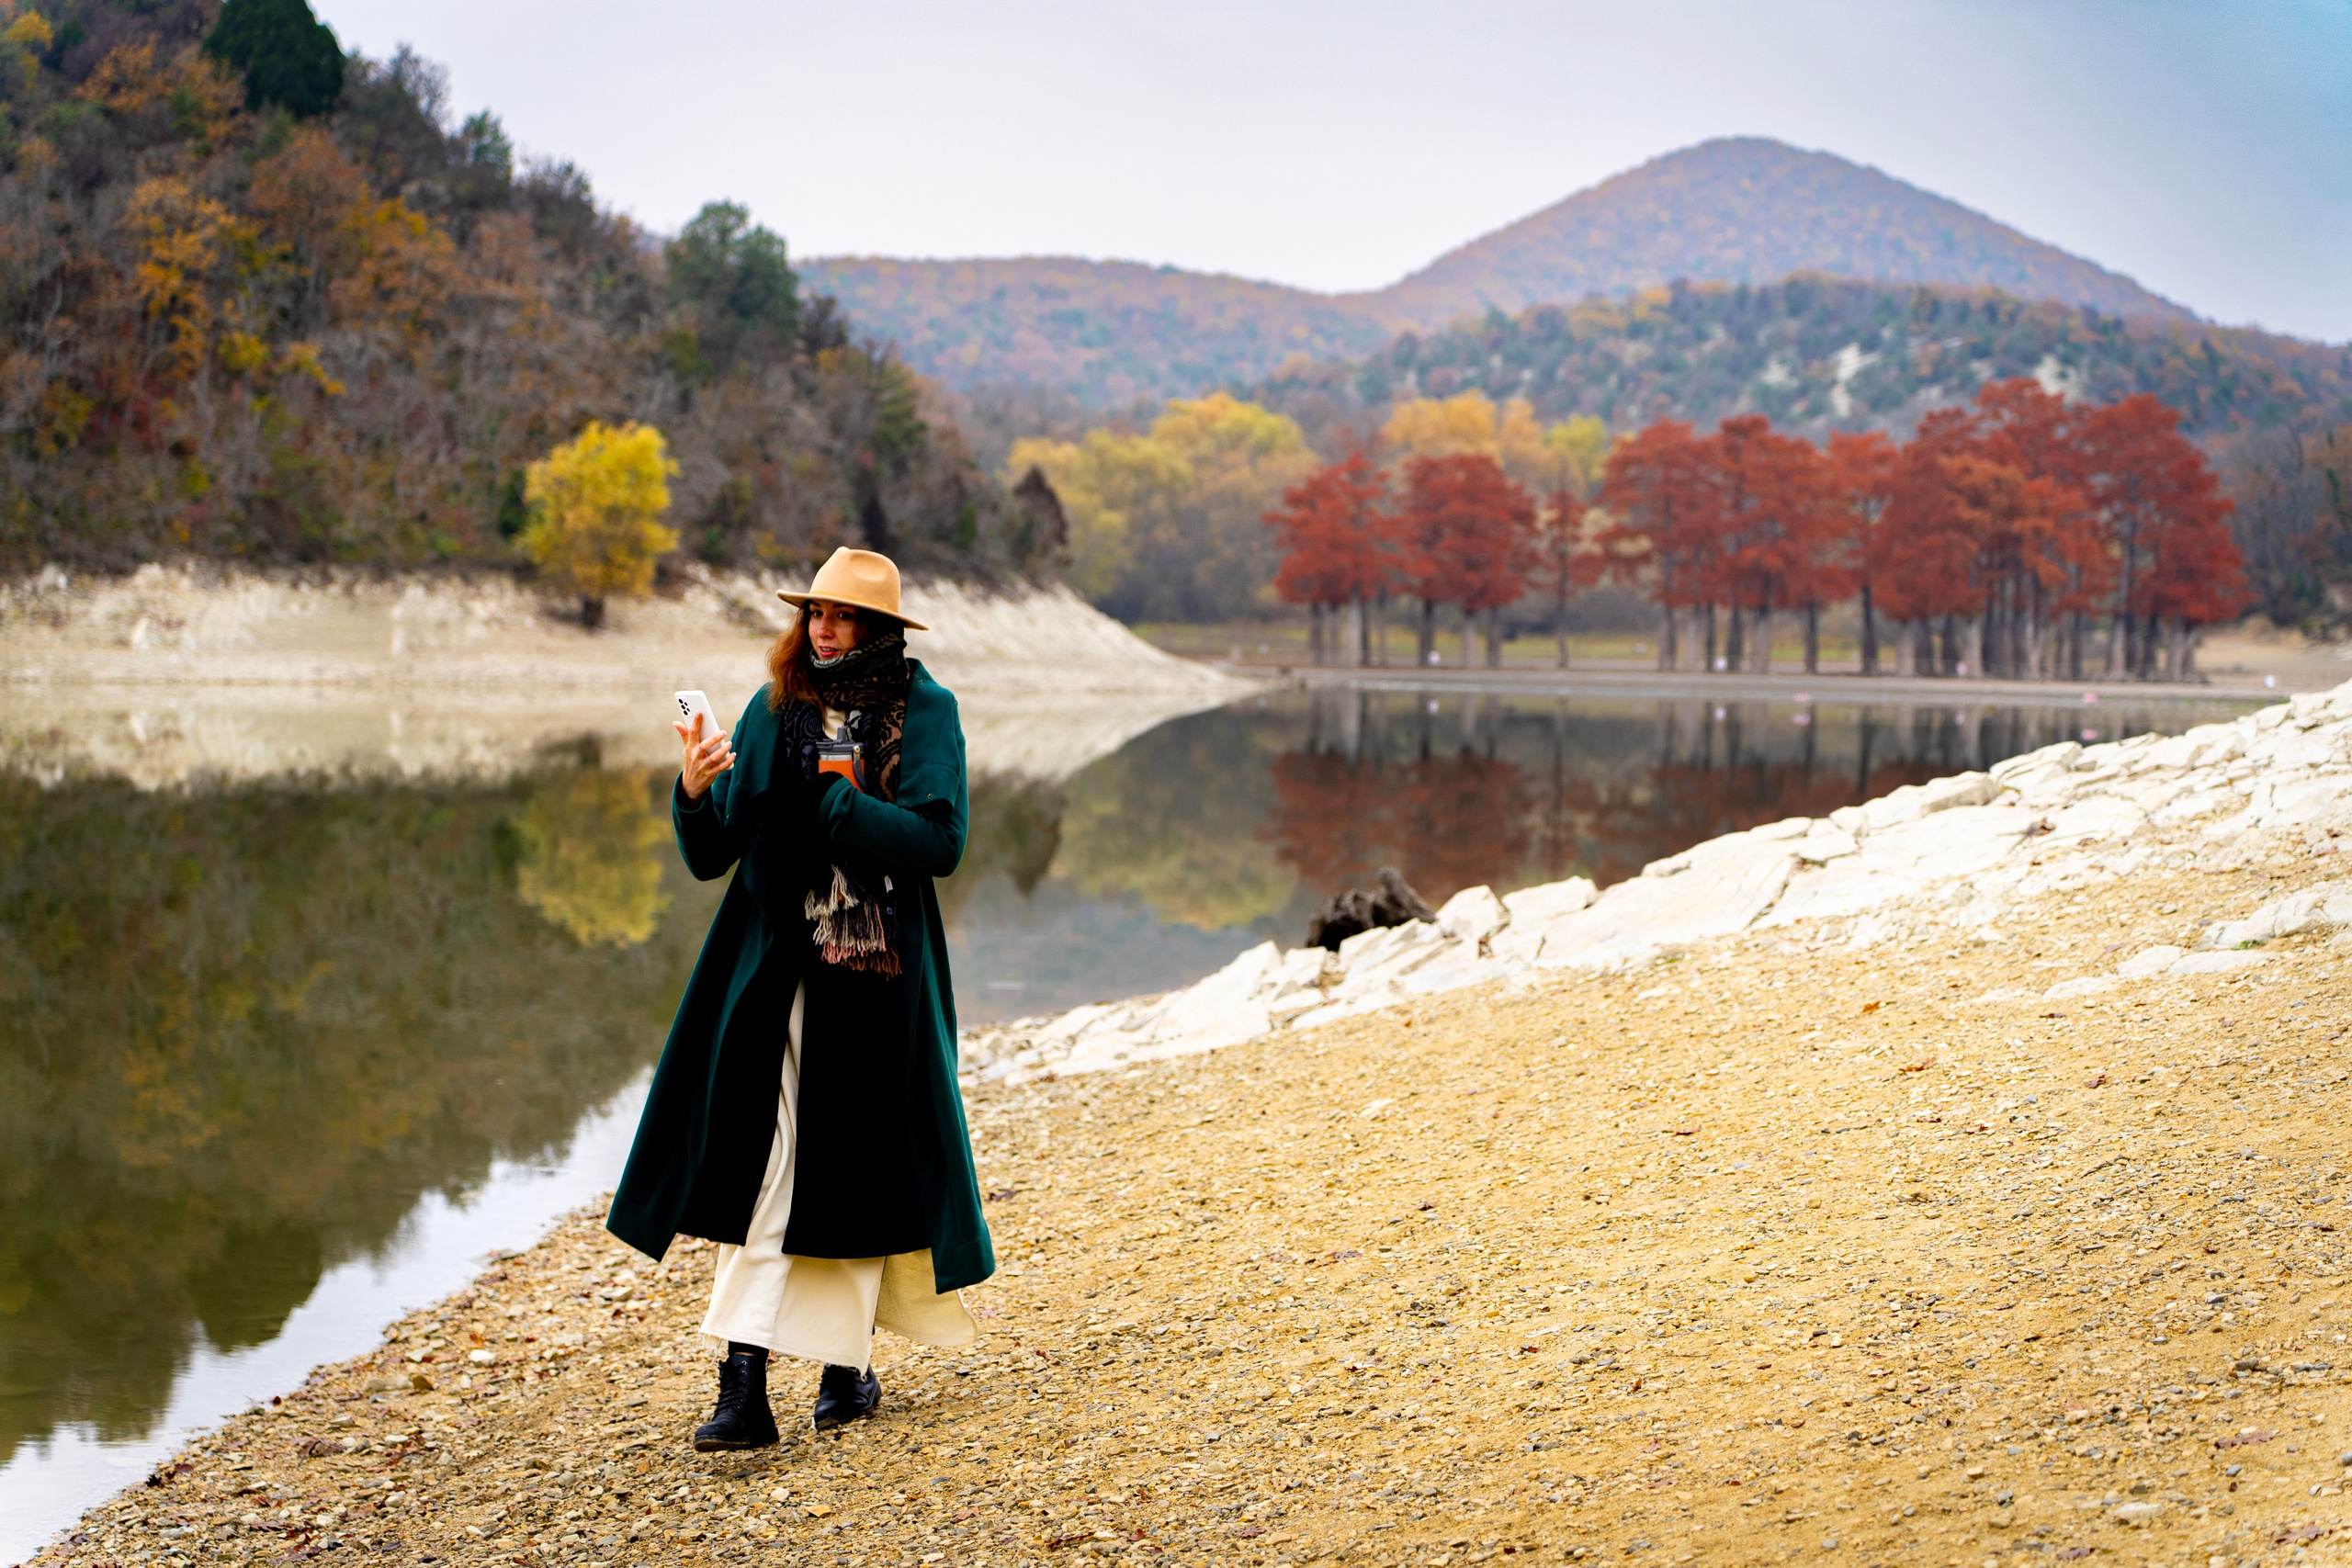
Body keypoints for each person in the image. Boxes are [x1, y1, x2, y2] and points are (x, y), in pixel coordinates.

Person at [605, 547, 994, 1450]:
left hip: (873, 980)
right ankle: (744, 1383)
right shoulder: (774, 703)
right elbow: (715, 852)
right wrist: (696, 792)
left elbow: (941, 842)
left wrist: (838, 808)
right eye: (814, 613)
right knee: (774, 1168)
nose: (822, 629)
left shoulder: (925, 710)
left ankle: (834, 1369)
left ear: (881, 628)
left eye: (843, 617)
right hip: (772, 971)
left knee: (851, 1173)